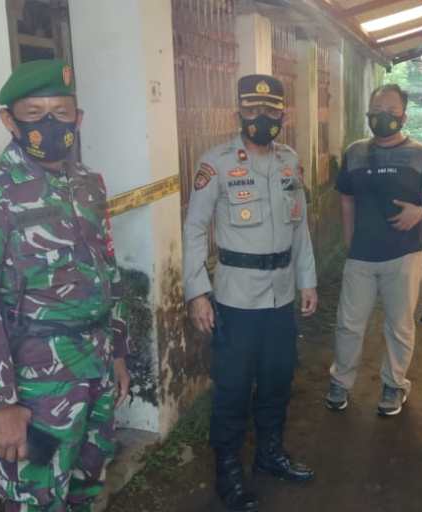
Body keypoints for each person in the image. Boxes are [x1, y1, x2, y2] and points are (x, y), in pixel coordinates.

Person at [0, 59, 132, 512]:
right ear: (8, 120)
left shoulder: (89, 184)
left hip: (97, 367)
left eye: (60, 112)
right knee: (37, 500)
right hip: (37, 385)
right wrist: (0, 403)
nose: (50, 124)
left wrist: (118, 352)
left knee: (87, 490)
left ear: (78, 119)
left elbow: (108, 270)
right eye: (34, 114)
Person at [183, 74, 319, 512]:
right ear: (237, 113)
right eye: (252, 109)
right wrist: (197, 292)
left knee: (279, 378)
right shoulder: (216, 163)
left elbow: (300, 227)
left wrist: (307, 279)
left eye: (270, 110)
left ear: (284, 114)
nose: (262, 117)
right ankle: (228, 470)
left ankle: (269, 454)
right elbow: (195, 228)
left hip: (281, 295)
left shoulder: (290, 161)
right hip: (236, 298)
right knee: (234, 387)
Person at [325, 84, 422, 416]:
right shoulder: (355, 152)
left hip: (404, 254)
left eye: (391, 112)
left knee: (399, 324)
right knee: (349, 323)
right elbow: (346, 197)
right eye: (377, 110)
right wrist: (349, 240)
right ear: (368, 113)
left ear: (404, 116)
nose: (383, 117)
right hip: (361, 255)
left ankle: (394, 384)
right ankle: (340, 381)